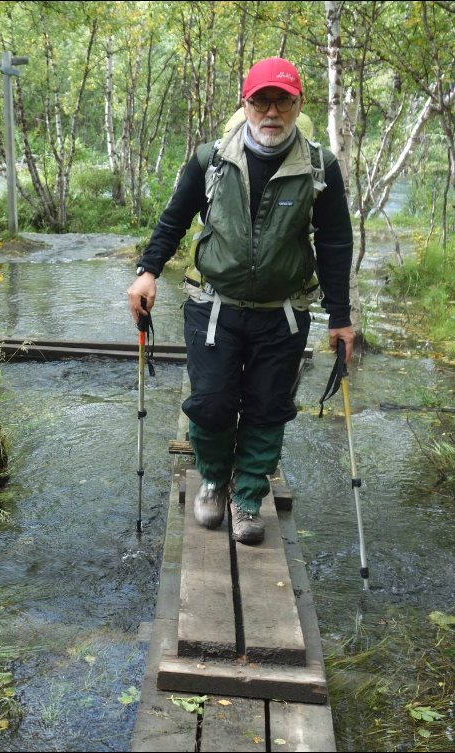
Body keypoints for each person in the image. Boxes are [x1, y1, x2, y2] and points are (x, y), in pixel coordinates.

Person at [126, 57, 354, 545]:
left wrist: (341, 317)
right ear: (245, 103)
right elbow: (175, 219)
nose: (271, 112)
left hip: (284, 314)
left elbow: (335, 242)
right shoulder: (210, 159)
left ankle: (248, 494)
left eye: (282, 101)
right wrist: (147, 272)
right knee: (210, 404)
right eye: (261, 100)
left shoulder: (320, 168)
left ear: (297, 104)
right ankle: (212, 478)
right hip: (214, 307)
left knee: (269, 407)